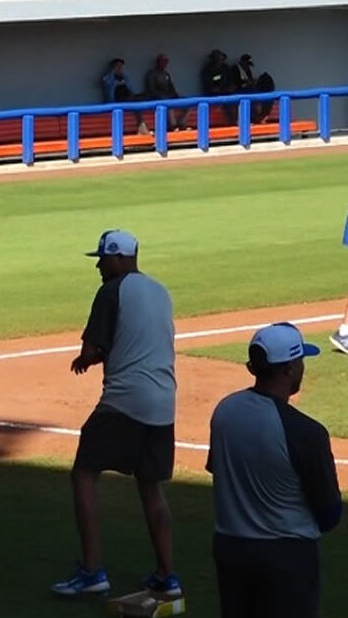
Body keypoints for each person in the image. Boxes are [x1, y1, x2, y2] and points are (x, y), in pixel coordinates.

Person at [53, 230, 181, 598]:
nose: (98, 265)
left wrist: (85, 359)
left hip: (126, 401)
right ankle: (167, 575)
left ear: (118, 258)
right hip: (163, 403)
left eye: (102, 258)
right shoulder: (160, 290)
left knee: (84, 474)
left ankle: (92, 571)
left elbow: (93, 348)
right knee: (151, 487)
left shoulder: (112, 291)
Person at [207, 322, 341, 618]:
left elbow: (216, 468)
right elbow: (330, 514)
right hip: (287, 558)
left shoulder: (224, 411)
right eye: (300, 361)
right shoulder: (306, 432)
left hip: (230, 551)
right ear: (289, 368)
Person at [101, 58, 149, 135]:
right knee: (135, 102)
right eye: (118, 66)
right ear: (113, 67)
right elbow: (106, 83)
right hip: (116, 101)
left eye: (121, 66)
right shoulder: (108, 77)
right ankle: (142, 127)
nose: (120, 68)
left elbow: (130, 89)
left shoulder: (124, 77)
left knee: (142, 97)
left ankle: (142, 127)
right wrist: (113, 71)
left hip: (128, 99)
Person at [143, 53, 187, 132]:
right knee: (168, 104)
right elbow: (151, 90)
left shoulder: (166, 74)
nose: (165, 63)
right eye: (163, 61)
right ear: (158, 62)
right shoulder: (152, 74)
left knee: (188, 103)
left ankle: (181, 123)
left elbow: (171, 88)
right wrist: (164, 96)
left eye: (166, 61)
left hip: (168, 97)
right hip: (158, 98)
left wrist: (176, 96)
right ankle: (173, 126)